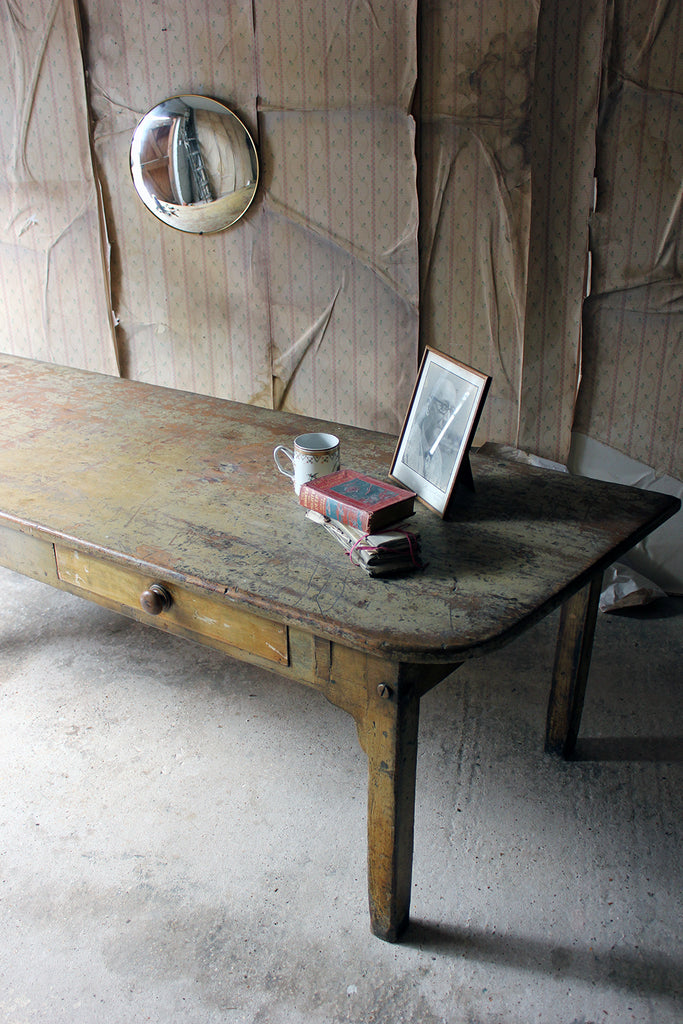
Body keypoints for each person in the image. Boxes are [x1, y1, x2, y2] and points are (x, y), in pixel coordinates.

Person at [402, 368, 474, 492]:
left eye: (451, 410)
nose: (446, 418)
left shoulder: (437, 458)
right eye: (443, 406)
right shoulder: (408, 444)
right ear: (429, 404)